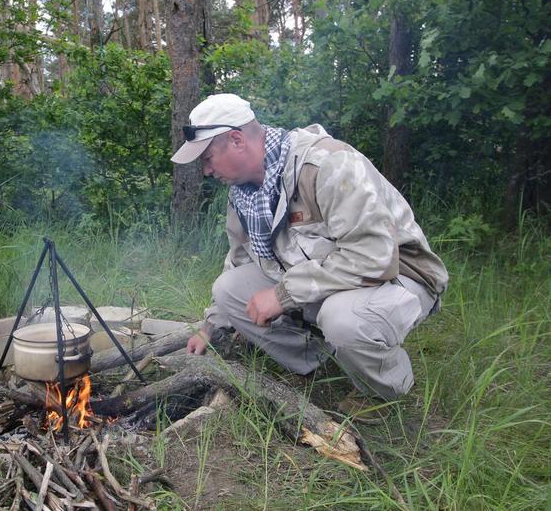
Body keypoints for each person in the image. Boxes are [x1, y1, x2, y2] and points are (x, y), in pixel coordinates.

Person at [173, 94, 448, 423]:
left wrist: (282, 294)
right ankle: (317, 359)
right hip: (328, 280)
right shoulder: (242, 194)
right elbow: (240, 258)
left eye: (207, 158)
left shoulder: (326, 164)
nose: (205, 171)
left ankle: (383, 390)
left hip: (400, 275)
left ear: (236, 140)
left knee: (344, 320)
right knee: (228, 288)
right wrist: (210, 325)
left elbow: (373, 256)